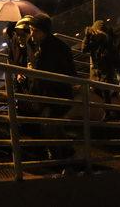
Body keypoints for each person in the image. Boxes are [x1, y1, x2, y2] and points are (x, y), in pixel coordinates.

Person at [16, 14, 76, 159]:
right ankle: (66, 151)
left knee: (48, 125)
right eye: (30, 29)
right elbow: (31, 61)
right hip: (40, 93)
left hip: (55, 93)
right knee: (52, 125)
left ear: (45, 31)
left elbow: (70, 74)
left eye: (35, 31)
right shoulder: (32, 43)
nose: (31, 34)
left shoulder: (59, 49)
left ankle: (58, 158)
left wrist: (37, 71)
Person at [82, 20, 119, 104]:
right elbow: (83, 50)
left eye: (98, 32)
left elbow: (114, 57)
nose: (97, 34)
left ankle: (108, 111)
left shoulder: (109, 41)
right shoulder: (94, 41)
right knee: (94, 88)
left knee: (105, 92)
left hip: (106, 70)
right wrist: (87, 37)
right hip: (96, 70)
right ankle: (109, 106)